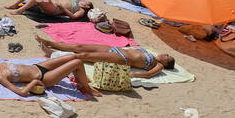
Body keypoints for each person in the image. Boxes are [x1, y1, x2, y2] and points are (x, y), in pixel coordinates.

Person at [34, 34, 175, 78]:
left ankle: (52, 53)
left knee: (84, 55)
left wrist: (132, 76)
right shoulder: (151, 53)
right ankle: (49, 42)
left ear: (166, 63)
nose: (165, 54)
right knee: (79, 47)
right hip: (115, 49)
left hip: (122, 59)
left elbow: (149, 74)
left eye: (167, 56)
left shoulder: (159, 65)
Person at [0, 57, 96, 99]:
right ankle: (87, 89)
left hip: (38, 66)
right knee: (77, 62)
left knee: (72, 57)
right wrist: (35, 82)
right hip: (43, 77)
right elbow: (21, 93)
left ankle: (80, 81)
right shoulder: (1, 77)